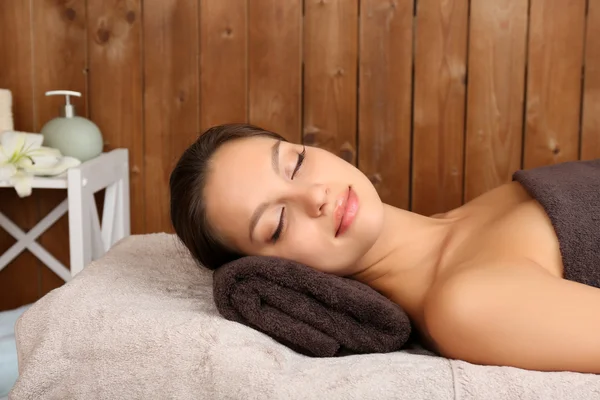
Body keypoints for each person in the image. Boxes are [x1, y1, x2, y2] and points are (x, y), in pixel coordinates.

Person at [170, 123, 600, 374]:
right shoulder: (467, 305)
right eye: (277, 223)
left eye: (295, 163)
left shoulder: (469, 215)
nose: (314, 195)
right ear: (274, 274)